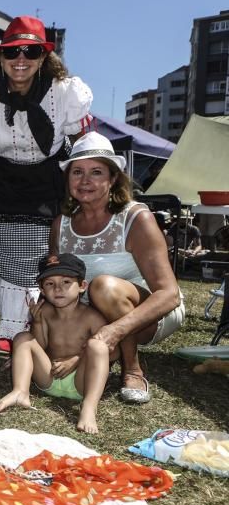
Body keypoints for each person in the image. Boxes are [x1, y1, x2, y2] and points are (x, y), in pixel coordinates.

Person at [0, 15, 93, 355]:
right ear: (0, 57)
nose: (21, 60)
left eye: (30, 52)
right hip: (2, 173)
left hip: (47, 172)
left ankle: (17, 329)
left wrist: (82, 180)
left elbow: (82, 141)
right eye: (12, 53)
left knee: (35, 249)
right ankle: (10, 322)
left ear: (43, 58)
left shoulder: (65, 93)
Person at [52, 132, 184, 403]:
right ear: (68, 180)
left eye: (96, 172)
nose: (85, 180)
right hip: (94, 316)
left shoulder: (136, 218)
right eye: (77, 172)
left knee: (103, 286)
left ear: (113, 179)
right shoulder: (60, 225)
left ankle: (133, 369)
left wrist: (115, 330)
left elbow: (169, 295)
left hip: (151, 316)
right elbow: (52, 283)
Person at [0, 253, 111, 433]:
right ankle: (20, 391)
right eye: (50, 284)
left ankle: (88, 406)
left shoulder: (92, 317)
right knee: (23, 338)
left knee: (98, 345)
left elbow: (111, 351)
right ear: (41, 289)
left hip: (82, 382)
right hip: (49, 377)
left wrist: (77, 359)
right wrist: (38, 322)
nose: (58, 289)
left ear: (82, 286)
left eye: (66, 282)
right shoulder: (45, 312)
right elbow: (39, 346)